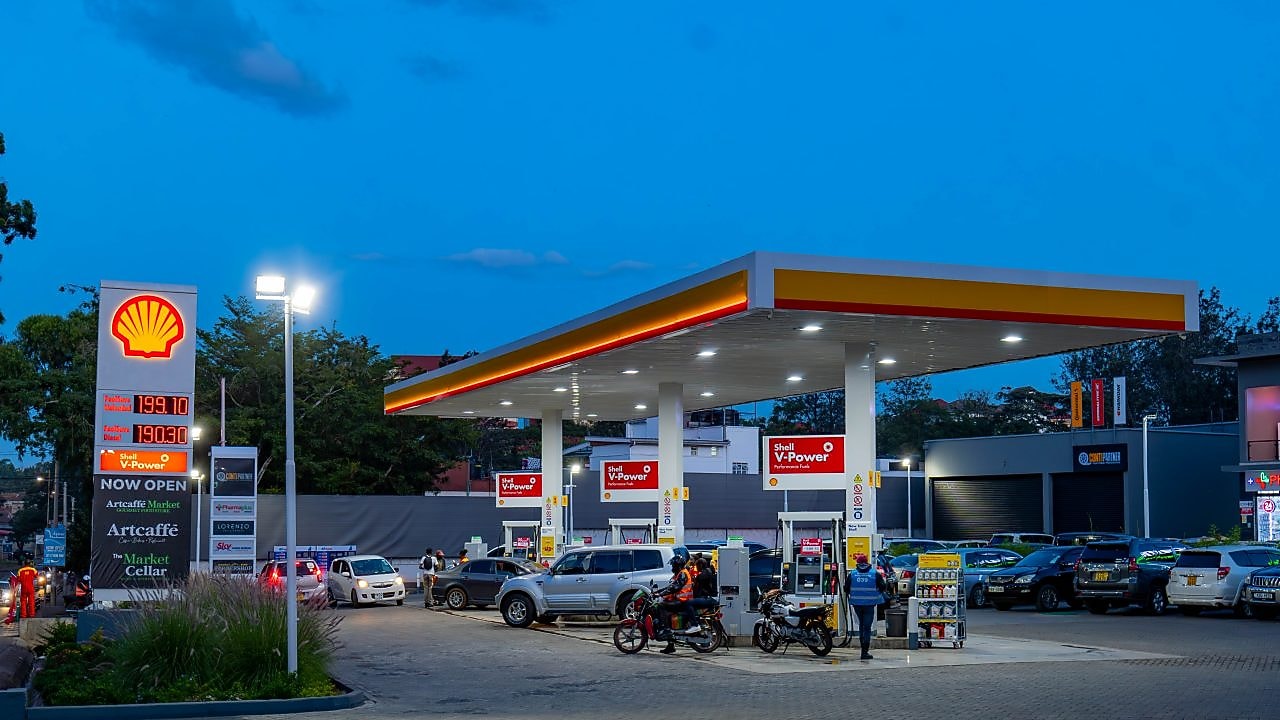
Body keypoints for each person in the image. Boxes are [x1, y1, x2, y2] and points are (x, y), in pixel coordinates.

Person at [846, 552, 888, 660]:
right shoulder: (874, 573)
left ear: (857, 562)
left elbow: (846, 588)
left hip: (856, 604)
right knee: (867, 627)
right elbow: (883, 586)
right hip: (870, 604)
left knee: (861, 626)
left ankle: (863, 650)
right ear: (867, 561)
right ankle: (865, 652)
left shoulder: (852, 574)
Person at [656, 547, 695, 654]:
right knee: (667, 616)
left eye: (673, 565)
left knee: (661, 606)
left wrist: (661, 594)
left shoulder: (683, 573)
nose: (672, 567)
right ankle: (670, 645)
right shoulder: (679, 574)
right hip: (679, 600)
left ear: (678, 565)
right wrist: (657, 592)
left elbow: (675, 587)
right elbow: (671, 586)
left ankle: (665, 630)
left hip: (683, 601)